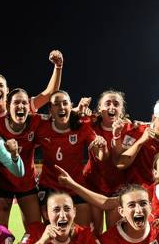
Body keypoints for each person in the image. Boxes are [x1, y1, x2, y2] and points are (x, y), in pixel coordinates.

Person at [35, 90, 107, 227]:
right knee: (54, 235)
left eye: (65, 103)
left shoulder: (82, 126)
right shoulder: (42, 127)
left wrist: (102, 147)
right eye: (56, 104)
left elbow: (100, 156)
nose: (61, 107)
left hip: (76, 187)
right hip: (50, 187)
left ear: (70, 106)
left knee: (82, 233)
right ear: (50, 109)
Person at [0, 88, 43, 228]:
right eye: (16, 102)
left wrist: (76, 111)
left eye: (24, 103)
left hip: (27, 184)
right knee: (0, 235)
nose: (20, 106)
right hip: (2, 185)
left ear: (29, 107)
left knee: (35, 231)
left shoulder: (36, 121)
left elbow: (59, 118)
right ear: (8, 106)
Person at [82, 90, 130, 233]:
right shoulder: (89, 125)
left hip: (118, 187)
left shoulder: (130, 129)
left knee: (113, 233)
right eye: (107, 103)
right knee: (94, 232)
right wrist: (79, 110)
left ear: (121, 110)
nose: (112, 107)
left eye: (116, 104)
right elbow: (64, 117)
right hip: (93, 184)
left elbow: (120, 159)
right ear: (99, 109)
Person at [115, 98, 159, 187]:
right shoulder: (135, 132)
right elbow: (121, 164)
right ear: (153, 119)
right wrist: (141, 141)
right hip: (138, 190)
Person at [0, 50, 63, 123]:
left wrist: (58, 66)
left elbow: (50, 94)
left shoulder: (22, 105)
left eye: (1, 85)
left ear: (7, 90)